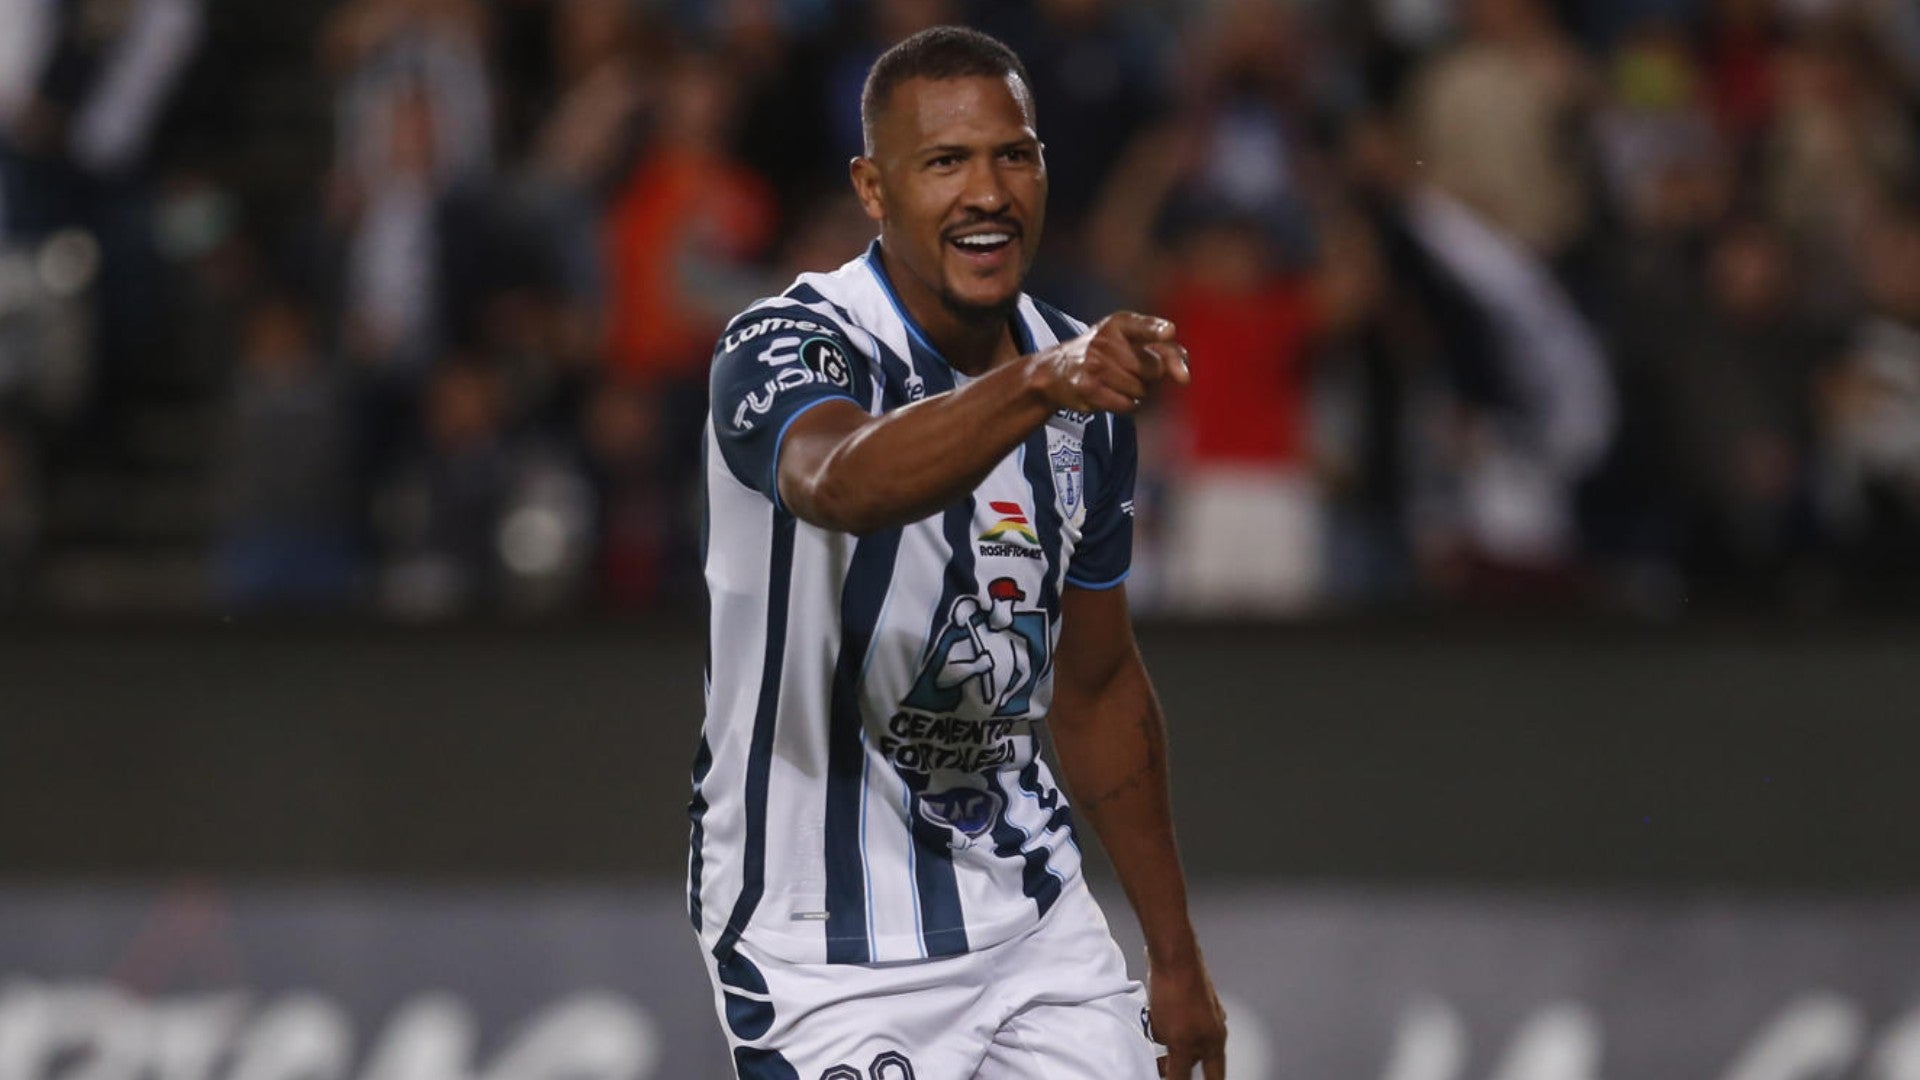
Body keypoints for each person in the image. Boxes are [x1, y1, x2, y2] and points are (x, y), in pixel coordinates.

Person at [688, 25, 1227, 1080]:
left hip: (1029, 920)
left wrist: (1175, 956)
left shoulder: (1086, 389)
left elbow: (1100, 683)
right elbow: (837, 483)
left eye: (1012, 155)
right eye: (945, 162)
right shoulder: (787, 344)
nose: (988, 192)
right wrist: (1037, 385)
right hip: (820, 940)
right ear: (874, 187)